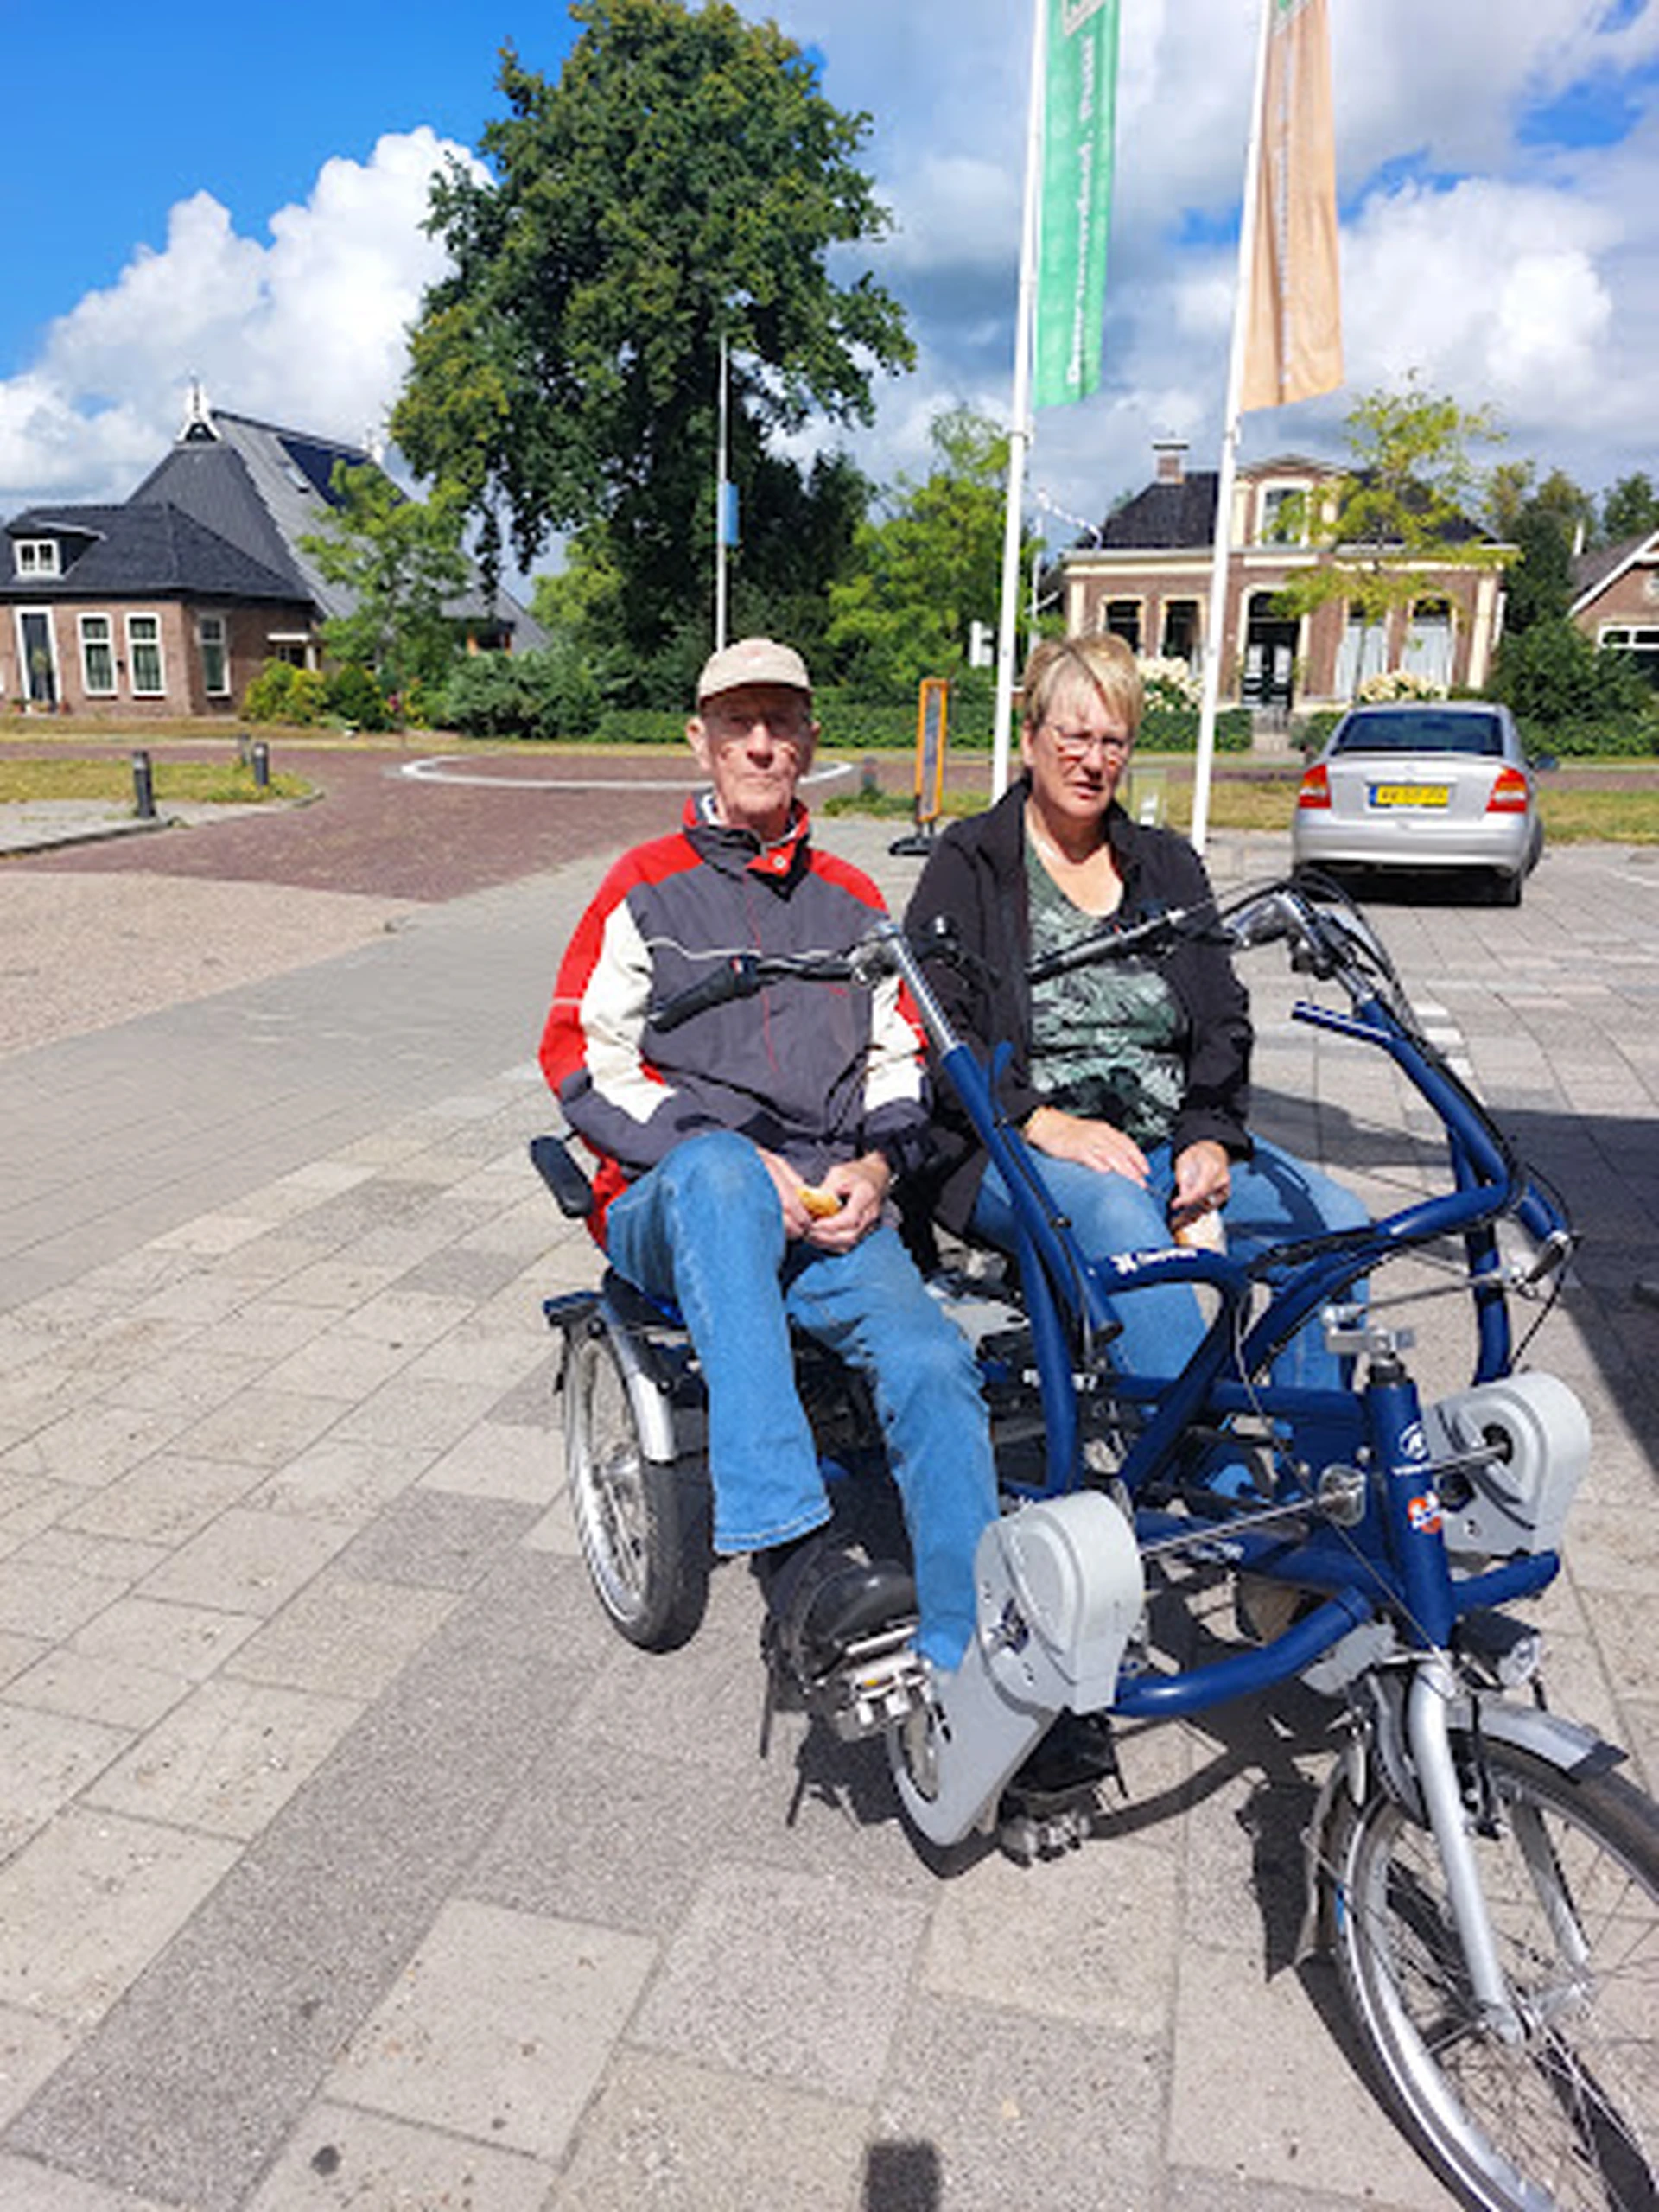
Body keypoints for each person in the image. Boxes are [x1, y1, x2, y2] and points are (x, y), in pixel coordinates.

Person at [541, 636, 998, 1688]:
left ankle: (971, 1656)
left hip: (829, 1202)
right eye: (737, 723)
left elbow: (898, 1054)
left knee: (933, 1364)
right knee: (719, 1174)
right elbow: (580, 1055)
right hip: (675, 1196)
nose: (760, 743)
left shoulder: (852, 899)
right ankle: (795, 1563)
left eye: (780, 723)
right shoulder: (642, 888)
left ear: (808, 742)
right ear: (699, 741)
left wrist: (875, 1171)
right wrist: (742, 1162)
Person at [905, 631, 1369, 1420]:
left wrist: (1208, 1137)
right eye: (1074, 737)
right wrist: (1041, 1121)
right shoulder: (971, 860)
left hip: (1161, 1143)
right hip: (1010, 1146)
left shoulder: (1166, 864)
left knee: (1336, 1227)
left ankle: (1311, 1459)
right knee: (1121, 1219)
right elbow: (936, 1020)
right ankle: (1203, 1464)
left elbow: (1222, 1018)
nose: (1093, 761)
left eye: (1112, 741)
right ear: (1030, 736)